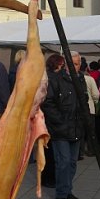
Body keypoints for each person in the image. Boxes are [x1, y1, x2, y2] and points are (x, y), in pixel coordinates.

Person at [42, 51, 87, 199]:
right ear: (65, 65)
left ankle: (67, 191)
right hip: (61, 129)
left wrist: (86, 122)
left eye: (77, 63)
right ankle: (61, 194)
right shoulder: (55, 79)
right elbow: (48, 103)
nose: (75, 66)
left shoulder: (81, 79)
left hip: (76, 128)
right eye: (72, 64)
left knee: (73, 163)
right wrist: (60, 121)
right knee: (63, 162)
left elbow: (84, 101)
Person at [40, 53, 65, 188]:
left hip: (45, 117)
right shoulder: (53, 78)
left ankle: (46, 177)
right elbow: (49, 101)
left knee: (47, 149)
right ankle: (49, 178)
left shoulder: (44, 76)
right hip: (51, 118)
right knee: (51, 151)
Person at [83, 69, 100, 157]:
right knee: (91, 131)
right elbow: (96, 95)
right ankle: (91, 150)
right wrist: (95, 102)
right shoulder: (90, 79)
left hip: (77, 109)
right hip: (90, 108)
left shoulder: (72, 78)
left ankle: (79, 151)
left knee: (80, 130)